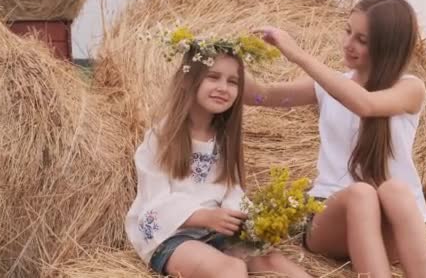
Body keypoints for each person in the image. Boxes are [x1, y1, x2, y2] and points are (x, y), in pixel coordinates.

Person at [246, 0, 426, 278]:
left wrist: (298, 54)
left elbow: (365, 104)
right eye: (348, 31)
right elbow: (262, 96)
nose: (349, 44)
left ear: (388, 47)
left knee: (395, 189)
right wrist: (225, 57)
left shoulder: (410, 89)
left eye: (363, 39)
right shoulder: (328, 86)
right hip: (332, 222)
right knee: (362, 193)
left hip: (391, 229)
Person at [125, 42, 311, 278]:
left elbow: (232, 192)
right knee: (231, 269)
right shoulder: (162, 138)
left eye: (232, 82)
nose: (223, 88)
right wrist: (204, 217)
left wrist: (255, 221)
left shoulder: (224, 140)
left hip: (219, 234)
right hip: (173, 235)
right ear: (189, 80)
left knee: (274, 262)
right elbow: (155, 201)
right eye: (213, 77)